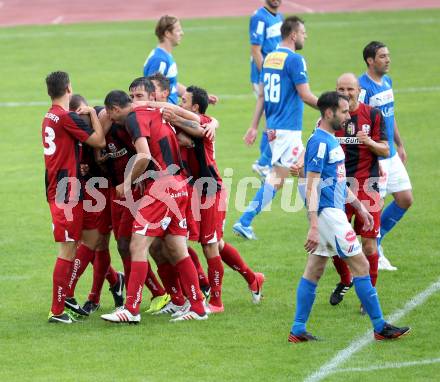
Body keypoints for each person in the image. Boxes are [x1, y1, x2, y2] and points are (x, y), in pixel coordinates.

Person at [288, 91, 410, 342]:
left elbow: (338, 182)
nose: (348, 115)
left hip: (330, 213)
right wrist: (313, 224)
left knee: (314, 269)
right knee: (362, 265)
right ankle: (379, 326)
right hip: (328, 215)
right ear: (329, 112)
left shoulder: (331, 140)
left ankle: (298, 330)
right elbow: (311, 186)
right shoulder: (320, 142)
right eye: (343, 112)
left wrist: (361, 207)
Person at [100, 88, 207, 323]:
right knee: (176, 247)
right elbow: (196, 120)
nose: (113, 121)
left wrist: (127, 183)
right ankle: (198, 306)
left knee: (137, 244)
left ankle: (131, 309)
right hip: (179, 184)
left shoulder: (132, 118)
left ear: (114, 110)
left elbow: (144, 155)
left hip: (163, 187)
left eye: (111, 115)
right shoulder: (153, 110)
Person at [164, 86, 266, 311]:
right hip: (193, 191)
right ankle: (252, 278)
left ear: (195, 107)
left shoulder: (202, 123)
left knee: (209, 245)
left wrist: (209, 123)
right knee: (210, 242)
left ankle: (216, 301)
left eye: (183, 101)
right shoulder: (193, 121)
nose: (179, 104)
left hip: (210, 191)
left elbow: (197, 129)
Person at [235, 16, 318, 240]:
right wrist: (329, 107)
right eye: (303, 32)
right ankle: (245, 220)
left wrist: (254, 126)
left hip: (273, 128)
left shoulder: (270, 57)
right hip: (287, 128)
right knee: (279, 177)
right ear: (293, 34)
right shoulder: (295, 60)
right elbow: (305, 94)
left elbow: (261, 95)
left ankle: (314, 218)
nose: (305, 36)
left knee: (302, 171)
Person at [42, 71, 105, 324]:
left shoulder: (48, 116)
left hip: (67, 189)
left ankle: (65, 298)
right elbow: (99, 140)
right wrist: (91, 114)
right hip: (64, 192)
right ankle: (56, 311)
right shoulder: (65, 118)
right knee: (67, 250)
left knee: (85, 241)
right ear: (69, 88)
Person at [328, 73, 389, 309]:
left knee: (369, 245)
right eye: (340, 88)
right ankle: (346, 278)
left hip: (367, 186)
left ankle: (368, 297)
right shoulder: (331, 118)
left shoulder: (372, 114)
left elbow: (384, 150)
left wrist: (370, 143)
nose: (345, 93)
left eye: (350, 89)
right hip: (339, 187)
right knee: (334, 242)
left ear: (358, 90)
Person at [359, 41, 413, 271]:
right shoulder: (363, 88)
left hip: (390, 153)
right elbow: (360, 122)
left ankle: (376, 241)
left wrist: (399, 144)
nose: (387, 59)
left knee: (405, 199)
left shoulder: (387, 82)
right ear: (370, 60)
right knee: (374, 208)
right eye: (382, 56)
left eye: (388, 55)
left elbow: (389, 116)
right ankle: (371, 250)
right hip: (376, 157)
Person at [143, 15, 218, 105]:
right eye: (178, 30)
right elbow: (152, 93)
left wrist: (196, 97)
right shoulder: (160, 60)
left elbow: (172, 84)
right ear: (167, 33)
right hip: (166, 114)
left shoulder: (165, 55)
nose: (182, 33)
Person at [247, 0, 283, 177]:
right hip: (264, 76)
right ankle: (264, 163)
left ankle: (265, 163)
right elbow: (255, 50)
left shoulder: (279, 17)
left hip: (274, 75)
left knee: (271, 118)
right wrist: (265, 75)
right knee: (273, 118)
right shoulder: (259, 18)